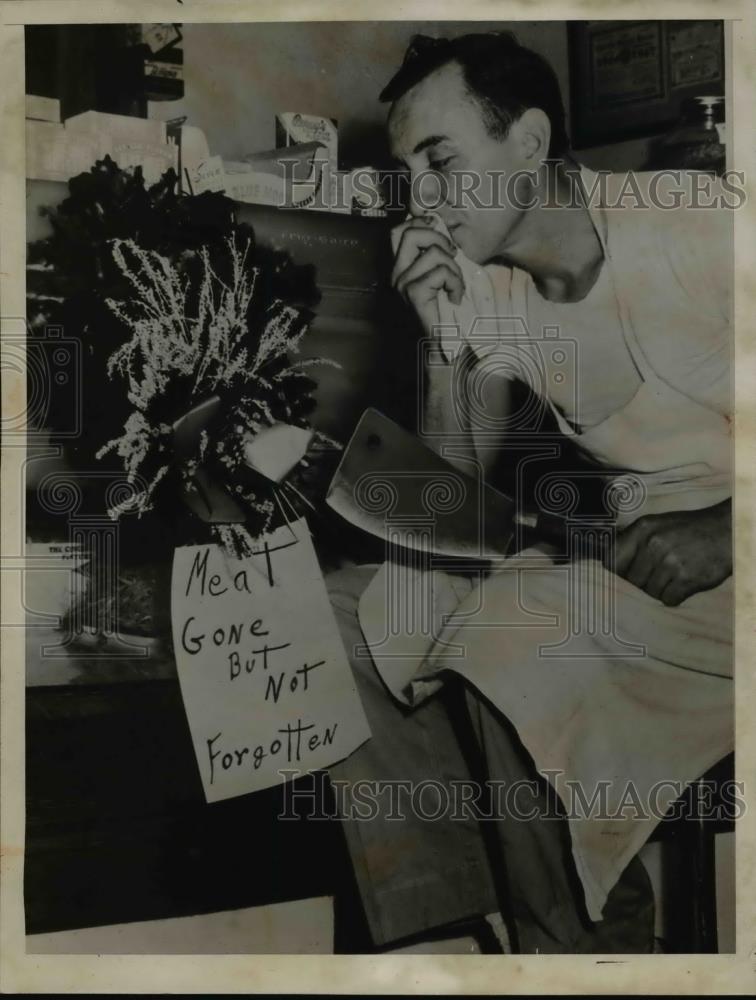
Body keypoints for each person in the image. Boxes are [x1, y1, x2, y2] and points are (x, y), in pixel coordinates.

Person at [326, 31, 733, 954]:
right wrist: (440, 340)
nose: (421, 200)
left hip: (728, 572)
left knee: (516, 620)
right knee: (344, 613)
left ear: (532, 141)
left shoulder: (698, 218)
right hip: (646, 576)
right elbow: (450, 515)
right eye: (407, 174)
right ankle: (466, 922)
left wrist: (729, 528)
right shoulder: (483, 282)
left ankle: (586, 945)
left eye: (442, 161)